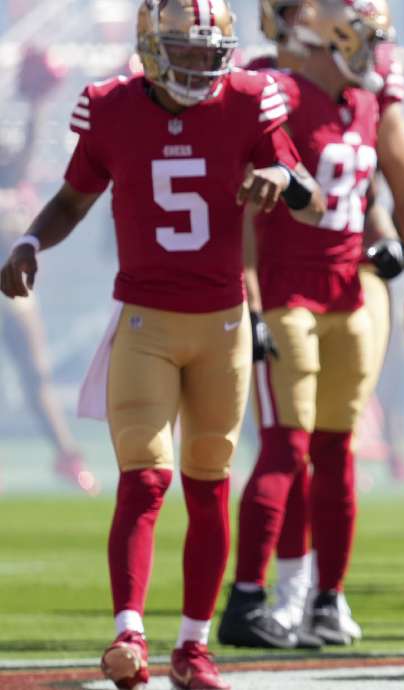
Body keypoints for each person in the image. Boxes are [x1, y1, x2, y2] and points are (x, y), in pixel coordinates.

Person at [0, 0, 325, 685]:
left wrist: (283, 176)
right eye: (188, 50)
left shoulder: (248, 99)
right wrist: (30, 240)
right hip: (144, 321)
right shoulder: (111, 106)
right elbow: (73, 197)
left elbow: (311, 198)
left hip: (225, 325)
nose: (203, 63)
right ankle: (129, 635)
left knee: (208, 488)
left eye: (213, 50)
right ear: (151, 46)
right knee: (145, 480)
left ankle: (194, 647)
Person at [219, 0, 404, 650]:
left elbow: (371, 197)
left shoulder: (366, 104)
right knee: (286, 447)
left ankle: (327, 595)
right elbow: (247, 211)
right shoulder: (278, 93)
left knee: (335, 452)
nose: (378, 59)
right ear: (335, 40)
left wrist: (399, 251)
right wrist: (253, 300)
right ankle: (265, 594)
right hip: (289, 294)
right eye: (366, 44)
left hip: (348, 296)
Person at [0, 45, 95, 494]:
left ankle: (66, 454)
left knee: (35, 371)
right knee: (32, 370)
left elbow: (14, 165)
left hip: (7, 277)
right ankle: (66, 453)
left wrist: (36, 106)